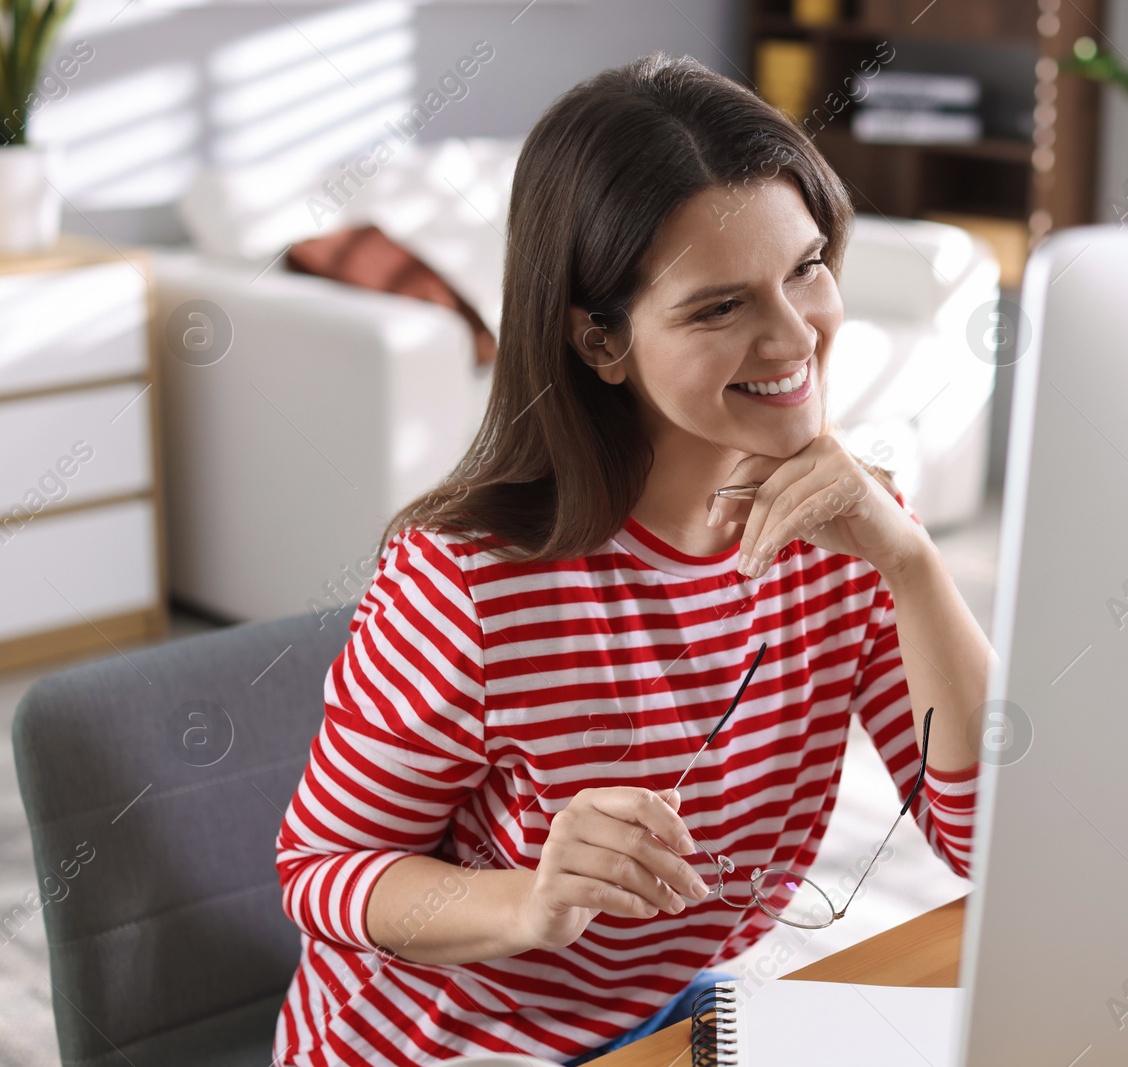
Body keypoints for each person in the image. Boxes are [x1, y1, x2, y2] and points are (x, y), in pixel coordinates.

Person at [271, 51, 993, 1067]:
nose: (796, 336)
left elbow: (993, 844)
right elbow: (320, 867)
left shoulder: (850, 537)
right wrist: (529, 899)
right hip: (442, 1044)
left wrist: (911, 562)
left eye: (806, 269)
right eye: (719, 305)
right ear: (599, 342)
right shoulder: (470, 582)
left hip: (664, 1017)